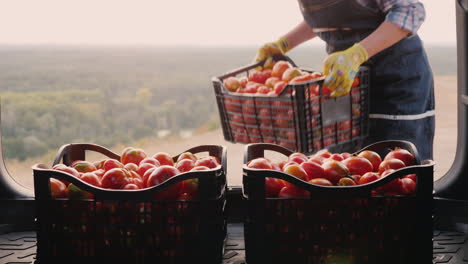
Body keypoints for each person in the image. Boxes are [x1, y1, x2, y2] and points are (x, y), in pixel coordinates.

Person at [254, 0, 434, 161]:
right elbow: (328, 18)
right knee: (344, 162)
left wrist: (358, 54)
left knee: (393, 164)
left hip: (394, 81)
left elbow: (409, 10)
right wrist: (285, 43)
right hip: (345, 83)